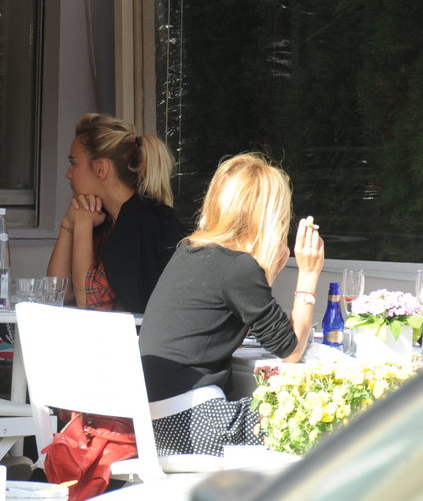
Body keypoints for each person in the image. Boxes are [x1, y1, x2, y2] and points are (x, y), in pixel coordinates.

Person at [138, 153, 325, 457]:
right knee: (313, 417)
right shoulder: (237, 267)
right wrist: (309, 274)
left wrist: (265, 274)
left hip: (155, 428)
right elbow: (290, 349)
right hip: (197, 424)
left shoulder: (189, 251)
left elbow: (234, 313)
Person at [47, 113, 183, 313]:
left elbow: (89, 303)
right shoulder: (106, 220)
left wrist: (82, 223)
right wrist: (69, 222)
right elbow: (57, 293)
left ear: (101, 169)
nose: (68, 174)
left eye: (74, 163)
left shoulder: (144, 221)